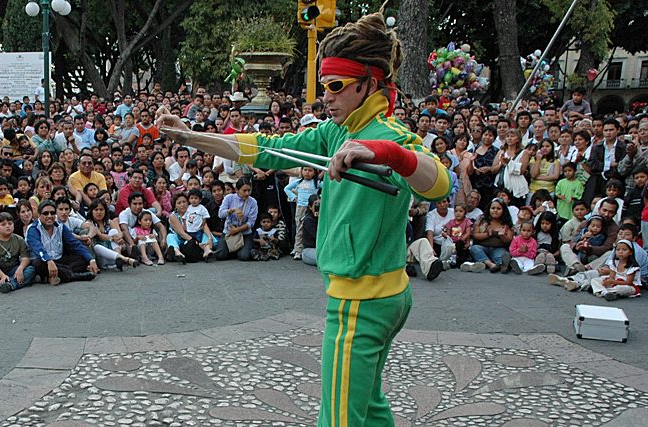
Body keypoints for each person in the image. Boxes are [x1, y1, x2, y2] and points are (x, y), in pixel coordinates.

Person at [157, 6, 451, 424]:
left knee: (337, 418)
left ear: (370, 83)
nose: (325, 95)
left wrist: (386, 153)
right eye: (323, 84)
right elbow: (266, 148)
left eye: (336, 84)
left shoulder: (388, 135)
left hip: (362, 300)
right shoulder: (339, 131)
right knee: (369, 408)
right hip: (375, 292)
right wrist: (190, 136)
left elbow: (439, 182)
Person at [26, 200, 99, 285]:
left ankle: (54, 276)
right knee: (37, 264)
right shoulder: (33, 229)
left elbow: (74, 244)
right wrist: (49, 260)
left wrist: (91, 259)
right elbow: (38, 248)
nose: (49, 216)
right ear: (39, 215)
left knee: (82, 259)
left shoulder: (60, 226)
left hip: (59, 260)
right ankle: (73, 276)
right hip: (44, 260)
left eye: (52, 213)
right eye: (46, 213)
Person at [0, 212, 37, 292]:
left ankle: (9, 285)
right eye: (3, 224)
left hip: (14, 268)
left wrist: (20, 269)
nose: (7, 226)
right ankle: (13, 283)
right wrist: (2, 276)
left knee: (31, 270)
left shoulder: (19, 239)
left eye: (10, 223)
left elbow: (25, 258)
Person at [215, 177, 257, 261]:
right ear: (237, 190)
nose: (247, 193)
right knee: (220, 256)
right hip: (229, 232)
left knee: (244, 257)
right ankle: (234, 249)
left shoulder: (253, 202)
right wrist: (231, 210)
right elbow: (220, 214)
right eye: (244, 191)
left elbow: (251, 223)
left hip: (245, 233)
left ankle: (240, 249)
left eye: (249, 190)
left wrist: (237, 230)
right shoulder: (229, 198)